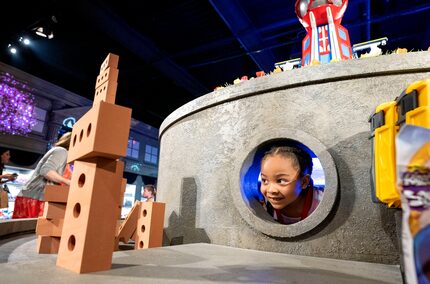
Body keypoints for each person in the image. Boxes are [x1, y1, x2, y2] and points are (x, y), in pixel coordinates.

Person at [12, 132, 72, 218]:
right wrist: (68, 182)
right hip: (34, 199)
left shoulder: (63, 154)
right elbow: (46, 171)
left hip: (35, 198)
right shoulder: (61, 151)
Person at [260, 146, 322, 225]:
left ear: (304, 182)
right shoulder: (263, 205)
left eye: (281, 181)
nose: (271, 190)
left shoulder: (320, 203)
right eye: (265, 180)